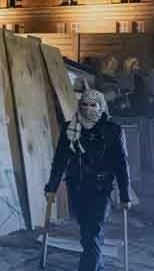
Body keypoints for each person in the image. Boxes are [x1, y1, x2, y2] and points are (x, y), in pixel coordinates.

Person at [44, 85, 131, 271]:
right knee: (86, 234)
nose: (89, 109)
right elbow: (60, 160)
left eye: (94, 105)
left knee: (93, 233)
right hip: (76, 188)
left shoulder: (112, 130)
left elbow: (121, 164)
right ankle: (97, 267)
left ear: (101, 106)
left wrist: (125, 195)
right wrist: (51, 187)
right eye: (85, 104)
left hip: (100, 188)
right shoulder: (70, 129)